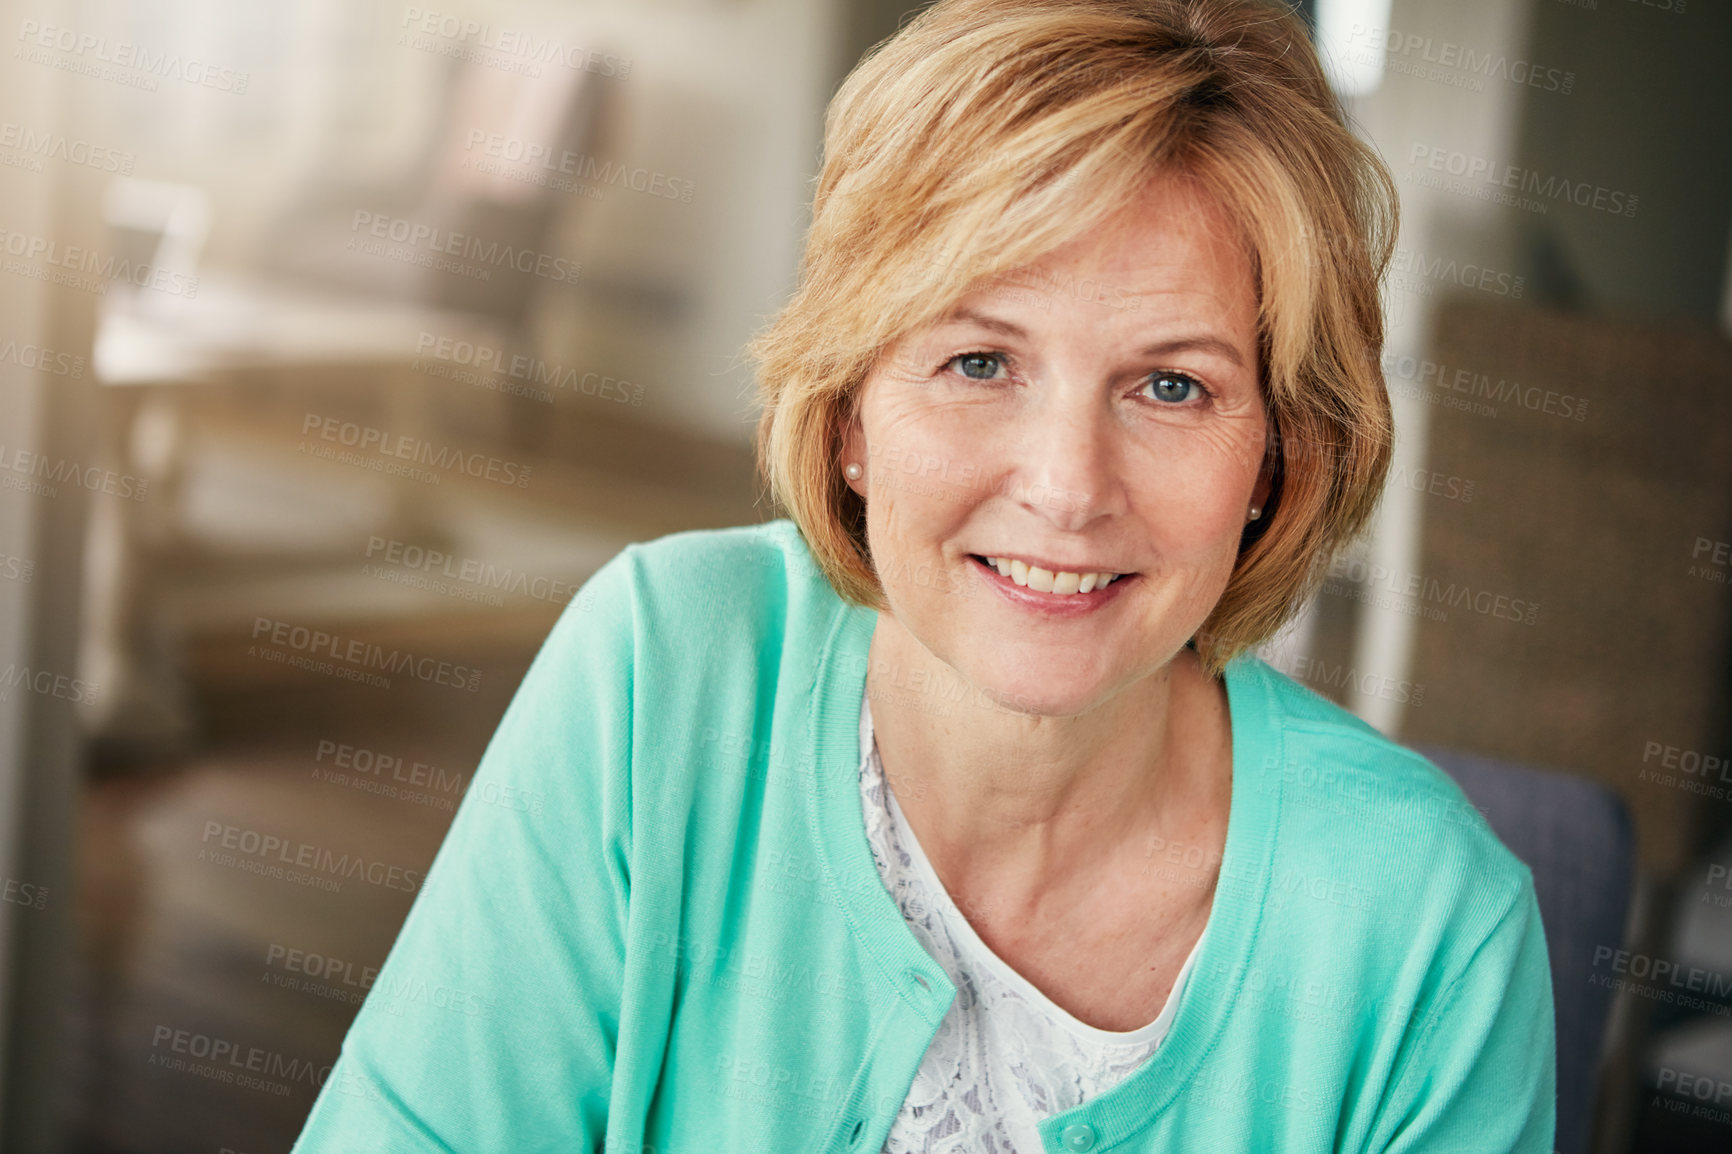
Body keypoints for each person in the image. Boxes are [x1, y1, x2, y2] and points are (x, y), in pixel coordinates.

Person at [291, 1, 1555, 1151]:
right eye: (979, 361)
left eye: (1173, 385)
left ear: (1277, 452)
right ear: (847, 413)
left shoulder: (1430, 934)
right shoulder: (661, 673)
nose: (1068, 486)